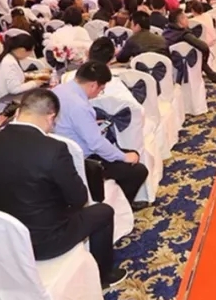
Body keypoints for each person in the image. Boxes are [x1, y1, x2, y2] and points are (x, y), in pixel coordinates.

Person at [0, 89, 124, 287]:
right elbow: (79, 199)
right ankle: (104, 276)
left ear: (20, 111)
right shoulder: (54, 149)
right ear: (51, 117)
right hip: (46, 242)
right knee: (103, 211)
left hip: (6, 237)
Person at [52, 62, 149, 204]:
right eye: (101, 89)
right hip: (82, 159)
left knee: (126, 154)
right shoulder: (80, 105)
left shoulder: (58, 90)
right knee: (138, 170)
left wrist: (91, 125)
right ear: (93, 85)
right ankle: (120, 207)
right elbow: (96, 144)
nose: (99, 93)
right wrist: (123, 157)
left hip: (60, 151)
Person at [162, 9, 216, 83]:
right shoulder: (184, 34)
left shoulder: (166, 31)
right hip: (184, 63)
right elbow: (204, 47)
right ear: (181, 20)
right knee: (198, 53)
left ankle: (214, 76)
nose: (188, 19)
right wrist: (205, 59)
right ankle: (214, 76)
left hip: (168, 64)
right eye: (185, 17)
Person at [0, 34, 46, 99]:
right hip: (6, 98)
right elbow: (14, 89)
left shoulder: (3, 57)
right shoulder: (9, 63)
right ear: (22, 50)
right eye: (31, 51)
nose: (29, 55)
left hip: (2, 95)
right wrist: (34, 83)